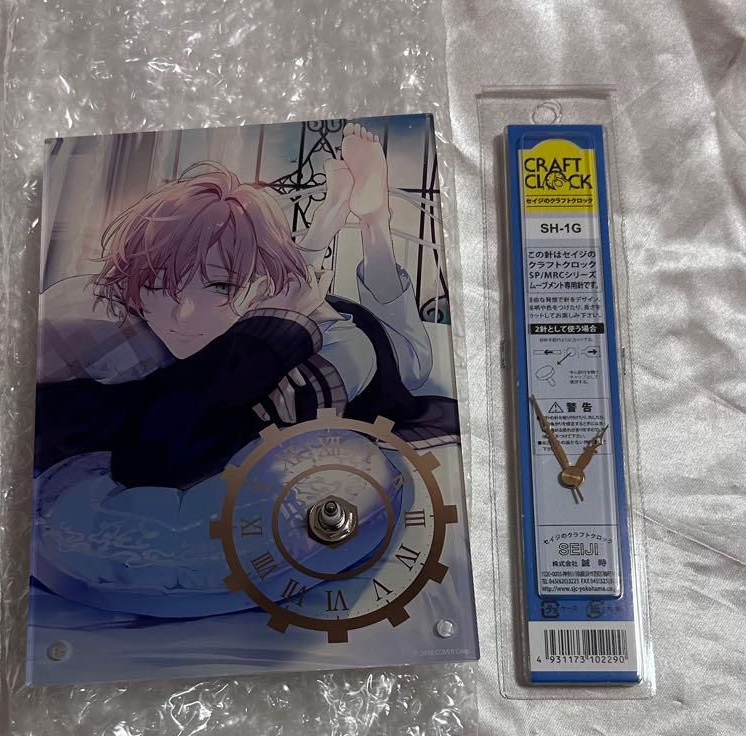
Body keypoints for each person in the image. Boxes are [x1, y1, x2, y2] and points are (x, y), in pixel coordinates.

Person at [34, 123, 455, 491]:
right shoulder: (132, 327)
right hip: (273, 303)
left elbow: (288, 400)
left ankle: (374, 219)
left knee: (413, 361)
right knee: (269, 281)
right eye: (158, 284)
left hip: (346, 330)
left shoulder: (341, 345)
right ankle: (331, 212)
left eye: (218, 286)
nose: (182, 315)